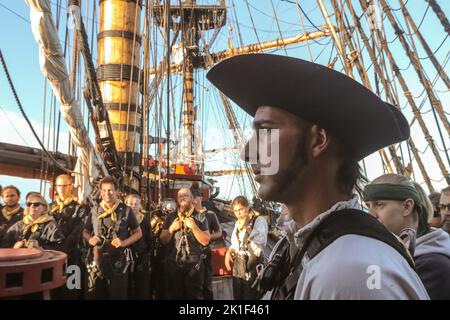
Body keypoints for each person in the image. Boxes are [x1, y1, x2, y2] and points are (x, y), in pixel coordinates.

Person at [207, 53, 429, 299]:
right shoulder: (297, 247)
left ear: (318, 140)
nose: (246, 152)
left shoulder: (353, 274)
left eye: (266, 132)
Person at [364, 174, 450, 299]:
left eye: (379, 204)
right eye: (368, 206)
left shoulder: (430, 265)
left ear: (407, 207)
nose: (371, 214)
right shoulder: (401, 253)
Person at [83, 176, 142, 300]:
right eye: (104, 190)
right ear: (100, 192)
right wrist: (90, 239)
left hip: (118, 262)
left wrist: (124, 242)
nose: (107, 193)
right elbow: (85, 231)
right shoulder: (94, 210)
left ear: (117, 191)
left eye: (110, 190)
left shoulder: (126, 211)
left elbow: (138, 233)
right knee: (95, 295)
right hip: (97, 261)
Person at [160, 188, 210, 299]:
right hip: (174, 264)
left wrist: (194, 227)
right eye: (180, 196)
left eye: (185, 195)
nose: (182, 197)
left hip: (194, 266)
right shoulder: (171, 217)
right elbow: (163, 240)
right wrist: (171, 229)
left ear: (192, 199)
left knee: (194, 296)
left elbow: (205, 241)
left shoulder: (200, 217)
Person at [50, 174, 90, 299]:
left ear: (71, 187)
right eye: (59, 186)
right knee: (54, 290)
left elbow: (78, 231)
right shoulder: (51, 208)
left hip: (73, 257)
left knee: (72, 289)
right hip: (53, 256)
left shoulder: (80, 208)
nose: (61, 189)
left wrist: (63, 249)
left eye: (64, 186)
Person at [225, 196, 268, 300]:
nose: (238, 213)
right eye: (235, 211)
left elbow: (262, 240)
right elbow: (235, 243)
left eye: (240, 209)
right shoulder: (237, 224)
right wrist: (229, 252)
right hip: (239, 265)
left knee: (251, 296)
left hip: (253, 265)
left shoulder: (259, 220)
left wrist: (247, 228)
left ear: (248, 207)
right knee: (238, 295)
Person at [191, 189, 223, 299]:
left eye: (196, 196)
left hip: (205, 252)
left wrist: (208, 237)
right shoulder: (187, 215)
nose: (193, 199)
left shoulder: (210, 214)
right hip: (190, 255)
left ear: (201, 198)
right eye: (192, 197)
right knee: (192, 285)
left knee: (207, 283)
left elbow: (219, 233)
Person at [124, 194, 152, 300]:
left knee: (141, 285)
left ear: (140, 206)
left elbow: (149, 239)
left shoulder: (145, 220)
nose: (133, 206)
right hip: (126, 255)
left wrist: (146, 253)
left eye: (136, 204)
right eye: (130, 204)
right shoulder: (122, 220)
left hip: (141, 256)